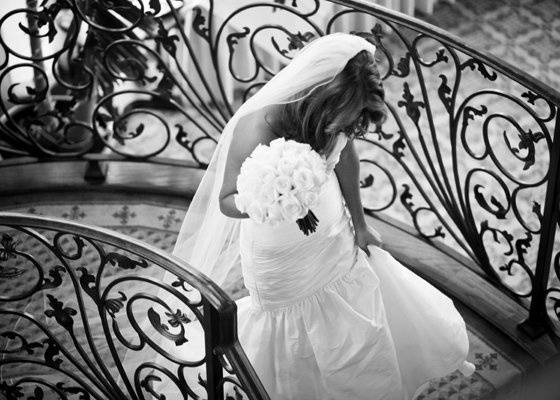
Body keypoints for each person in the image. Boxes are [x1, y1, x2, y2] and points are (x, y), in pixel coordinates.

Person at [172, 32, 475, 400]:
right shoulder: (256, 126)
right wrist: (265, 198)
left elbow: (345, 155)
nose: (349, 126)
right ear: (321, 97)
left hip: (332, 235)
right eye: (345, 115)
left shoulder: (337, 119)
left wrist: (360, 225)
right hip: (278, 252)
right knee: (288, 331)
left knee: (351, 324)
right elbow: (225, 200)